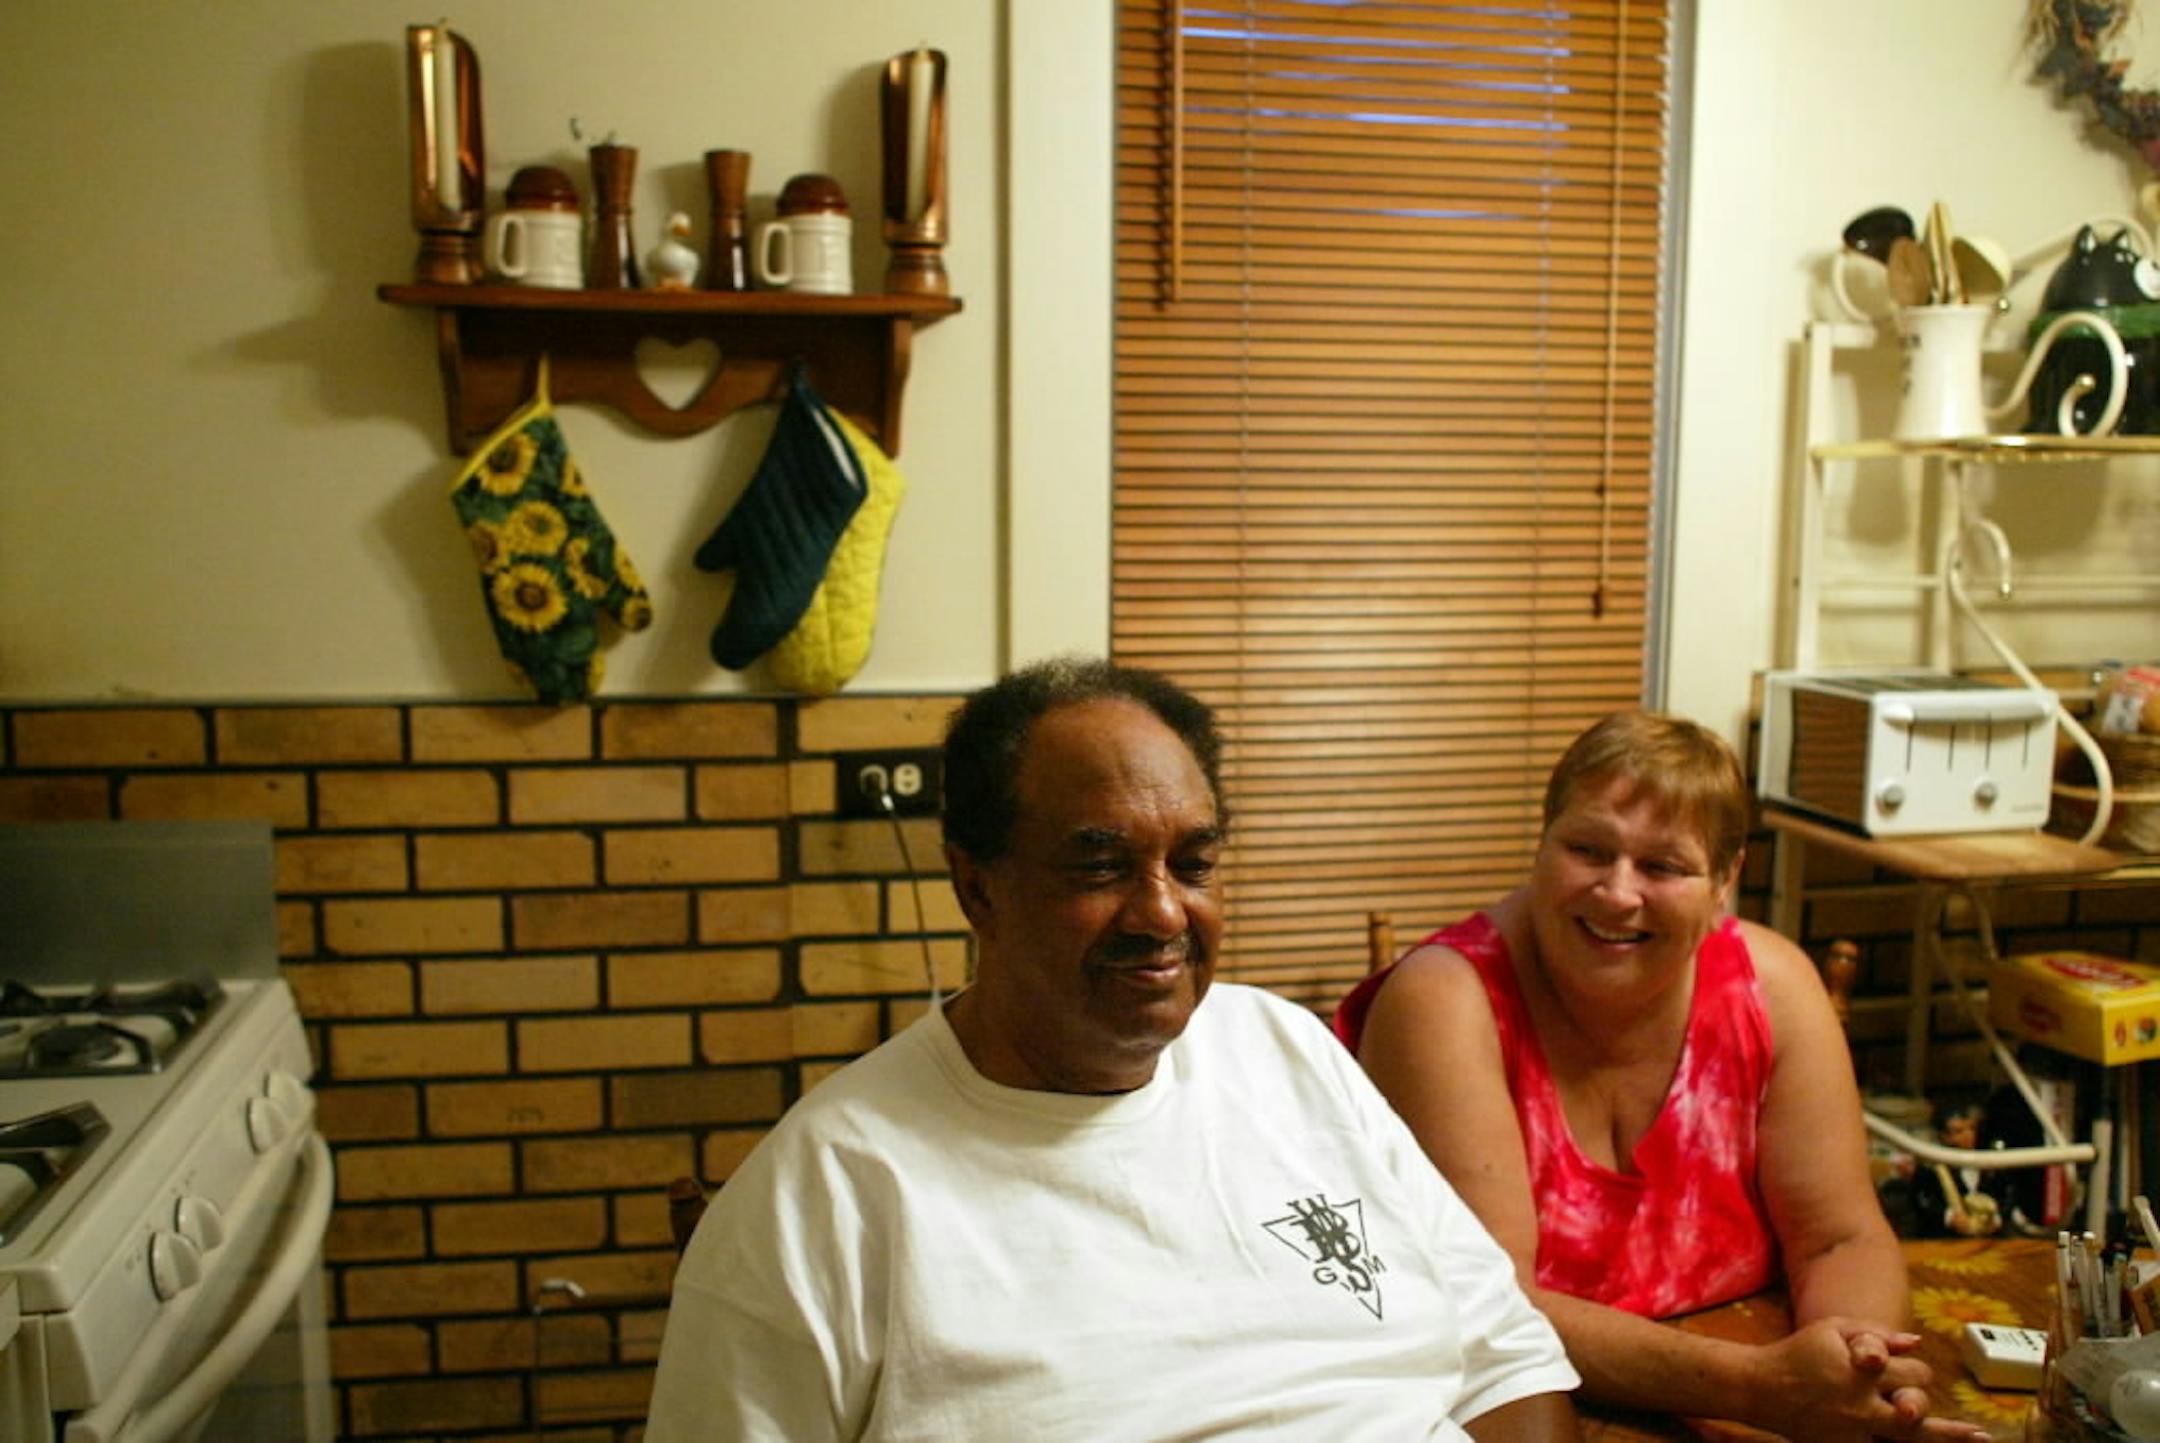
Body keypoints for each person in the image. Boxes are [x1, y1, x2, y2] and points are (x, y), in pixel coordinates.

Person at [647, 657, 1582, 1441]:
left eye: (1194, 863)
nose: (1165, 911)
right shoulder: (830, 1192)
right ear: (977, 889)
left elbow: (1505, 1357)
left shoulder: (1289, 1053)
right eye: (1101, 865)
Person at [1334, 710, 1992, 1443]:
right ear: (1542, 846)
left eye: (1663, 866)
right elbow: (1491, 1305)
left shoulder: (1773, 988)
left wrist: (1854, 1368)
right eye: (1587, 849)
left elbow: (1839, 1238)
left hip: (1745, 1386)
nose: (1617, 893)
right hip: (1518, 1402)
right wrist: (1760, 1385)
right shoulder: (1444, 1000)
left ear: (1724, 882)